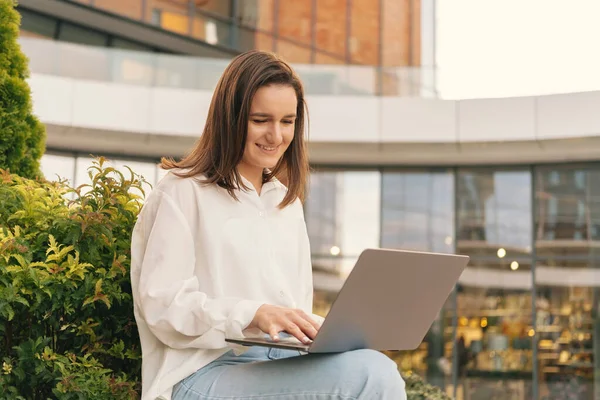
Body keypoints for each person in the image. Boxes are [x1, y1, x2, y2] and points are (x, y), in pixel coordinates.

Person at [130, 50, 406, 400]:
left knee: (371, 363)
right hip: (203, 373)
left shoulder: (285, 202)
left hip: (278, 361)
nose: (276, 136)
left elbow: (294, 309)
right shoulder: (182, 191)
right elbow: (163, 305)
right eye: (261, 120)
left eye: (287, 122)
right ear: (231, 119)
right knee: (373, 375)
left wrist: (332, 331)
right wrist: (252, 313)